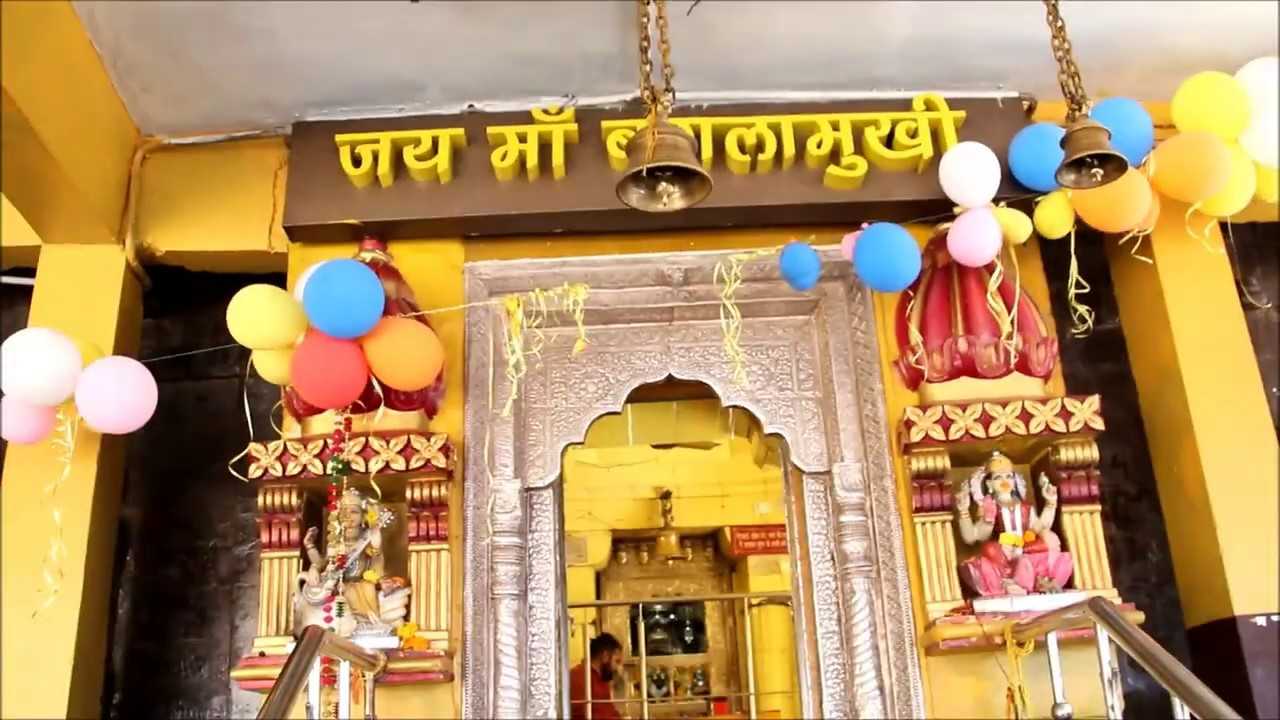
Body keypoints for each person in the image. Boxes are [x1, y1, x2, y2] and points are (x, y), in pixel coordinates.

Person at [569, 632, 624, 720]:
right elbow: (581, 714)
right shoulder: (579, 676)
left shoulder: (602, 680)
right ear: (605, 656)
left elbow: (610, 712)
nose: (617, 668)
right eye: (617, 661)